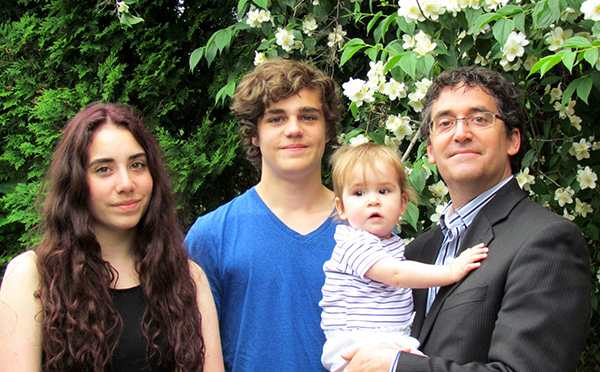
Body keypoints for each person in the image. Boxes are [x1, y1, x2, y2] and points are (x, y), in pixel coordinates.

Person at [342, 66, 591, 372]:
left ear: (513, 140)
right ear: (431, 150)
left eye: (479, 119)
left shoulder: (546, 240)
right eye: (445, 123)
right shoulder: (415, 252)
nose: (461, 133)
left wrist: (396, 367)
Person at [0, 103, 224, 372]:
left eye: (137, 165)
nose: (126, 183)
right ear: (76, 182)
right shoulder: (32, 277)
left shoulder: (188, 280)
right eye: (104, 169)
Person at [184, 59, 343, 371]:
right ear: (254, 133)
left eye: (308, 117)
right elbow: (192, 354)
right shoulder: (212, 235)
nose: (294, 129)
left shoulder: (365, 226)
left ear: (327, 131)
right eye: (276, 119)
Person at [320, 143, 488, 372]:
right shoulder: (353, 243)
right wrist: (451, 271)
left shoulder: (390, 244)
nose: (373, 200)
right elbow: (397, 275)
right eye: (359, 193)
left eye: (383, 191)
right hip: (356, 340)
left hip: (386, 338)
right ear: (341, 208)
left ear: (402, 204)